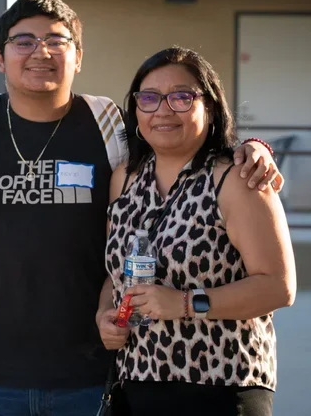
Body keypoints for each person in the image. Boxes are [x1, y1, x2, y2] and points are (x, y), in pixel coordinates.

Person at [0, 0, 282, 416]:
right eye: (23, 41)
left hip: (94, 378)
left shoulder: (109, 126)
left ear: (78, 58)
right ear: (0, 58)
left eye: (56, 41)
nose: (40, 51)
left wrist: (254, 148)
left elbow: (180, 142)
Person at [97, 47, 296, 416]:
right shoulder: (124, 178)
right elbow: (117, 271)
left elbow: (279, 286)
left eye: (181, 97)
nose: (163, 109)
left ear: (210, 106)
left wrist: (185, 303)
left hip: (219, 388)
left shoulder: (237, 177)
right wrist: (104, 312)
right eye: (149, 98)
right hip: (135, 385)